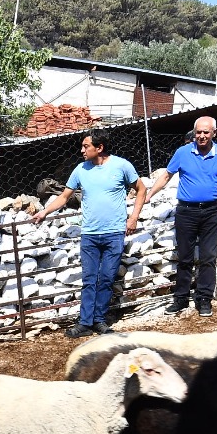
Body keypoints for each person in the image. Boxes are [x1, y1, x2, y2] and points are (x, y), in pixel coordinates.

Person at [33, 129, 141, 337]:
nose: (82, 150)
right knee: (89, 279)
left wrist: (133, 217)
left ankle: (99, 320)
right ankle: (84, 322)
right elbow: (64, 197)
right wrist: (45, 211)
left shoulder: (121, 166)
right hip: (90, 234)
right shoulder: (81, 170)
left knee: (107, 278)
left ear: (99, 148)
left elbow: (141, 189)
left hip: (114, 233)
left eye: (86, 146)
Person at [134, 116, 217, 317]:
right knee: (185, 257)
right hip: (186, 212)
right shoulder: (183, 152)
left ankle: (204, 298)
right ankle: (180, 298)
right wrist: (150, 194)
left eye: (206, 132)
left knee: (208, 257)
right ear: (194, 132)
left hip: (211, 212)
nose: (202, 136)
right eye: (198, 132)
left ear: (214, 133)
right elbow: (166, 176)